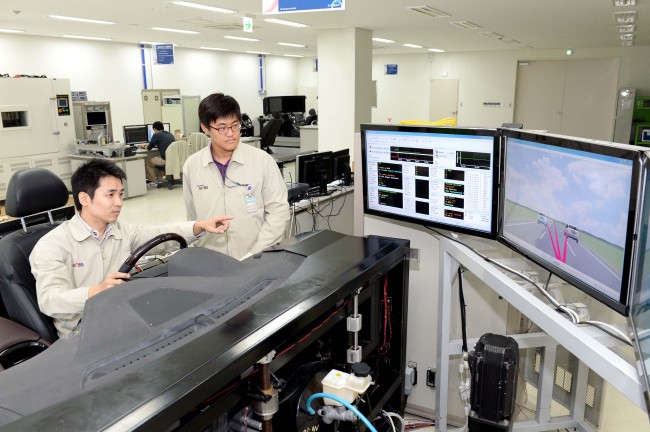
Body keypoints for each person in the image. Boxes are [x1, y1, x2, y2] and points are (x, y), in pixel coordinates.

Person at [29, 158, 233, 338]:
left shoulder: (120, 231)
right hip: (82, 333)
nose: (119, 203)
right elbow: (50, 301)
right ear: (84, 199)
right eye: (110, 195)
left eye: (120, 194)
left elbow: (157, 234)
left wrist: (198, 226)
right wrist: (95, 292)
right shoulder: (52, 246)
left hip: (122, 318)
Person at [182, 93, 290, 260]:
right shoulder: (193, 166)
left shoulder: (262, 161)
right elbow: (193, 218)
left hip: (256, 259)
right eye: (222, 128)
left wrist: (255, 254)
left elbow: (279, 213)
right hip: (211, 261)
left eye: (235, 125)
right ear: (205, 128)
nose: (231, 133)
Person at [140, 121, 175, 185]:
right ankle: (160, 179)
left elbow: (148, 148)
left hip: (165, 160)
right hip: (173, 159)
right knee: (159, 158)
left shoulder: (156, 134)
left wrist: (143, 146)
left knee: (148, 162)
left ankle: (153, 181)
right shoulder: (170, 134)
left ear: (155, 129)